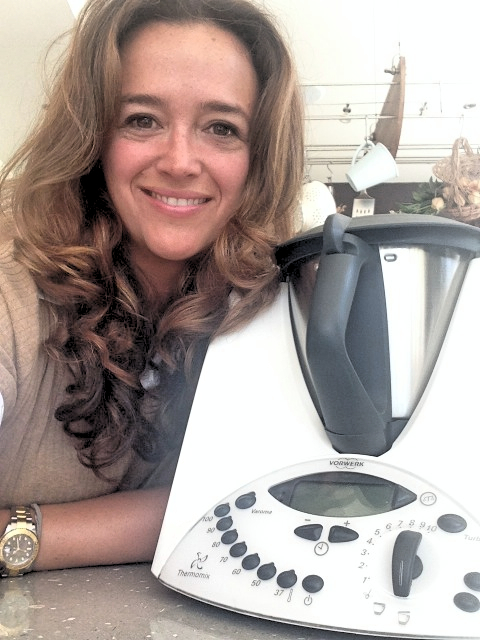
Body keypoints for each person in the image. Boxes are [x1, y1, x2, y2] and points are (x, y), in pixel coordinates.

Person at [0, 0, 304, 573]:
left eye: (222, 128)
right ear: (93, 134)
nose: (181, 161)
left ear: (258, 158)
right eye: (142, 119)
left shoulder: (270, 308)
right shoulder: (11, 288)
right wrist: (32, 538)